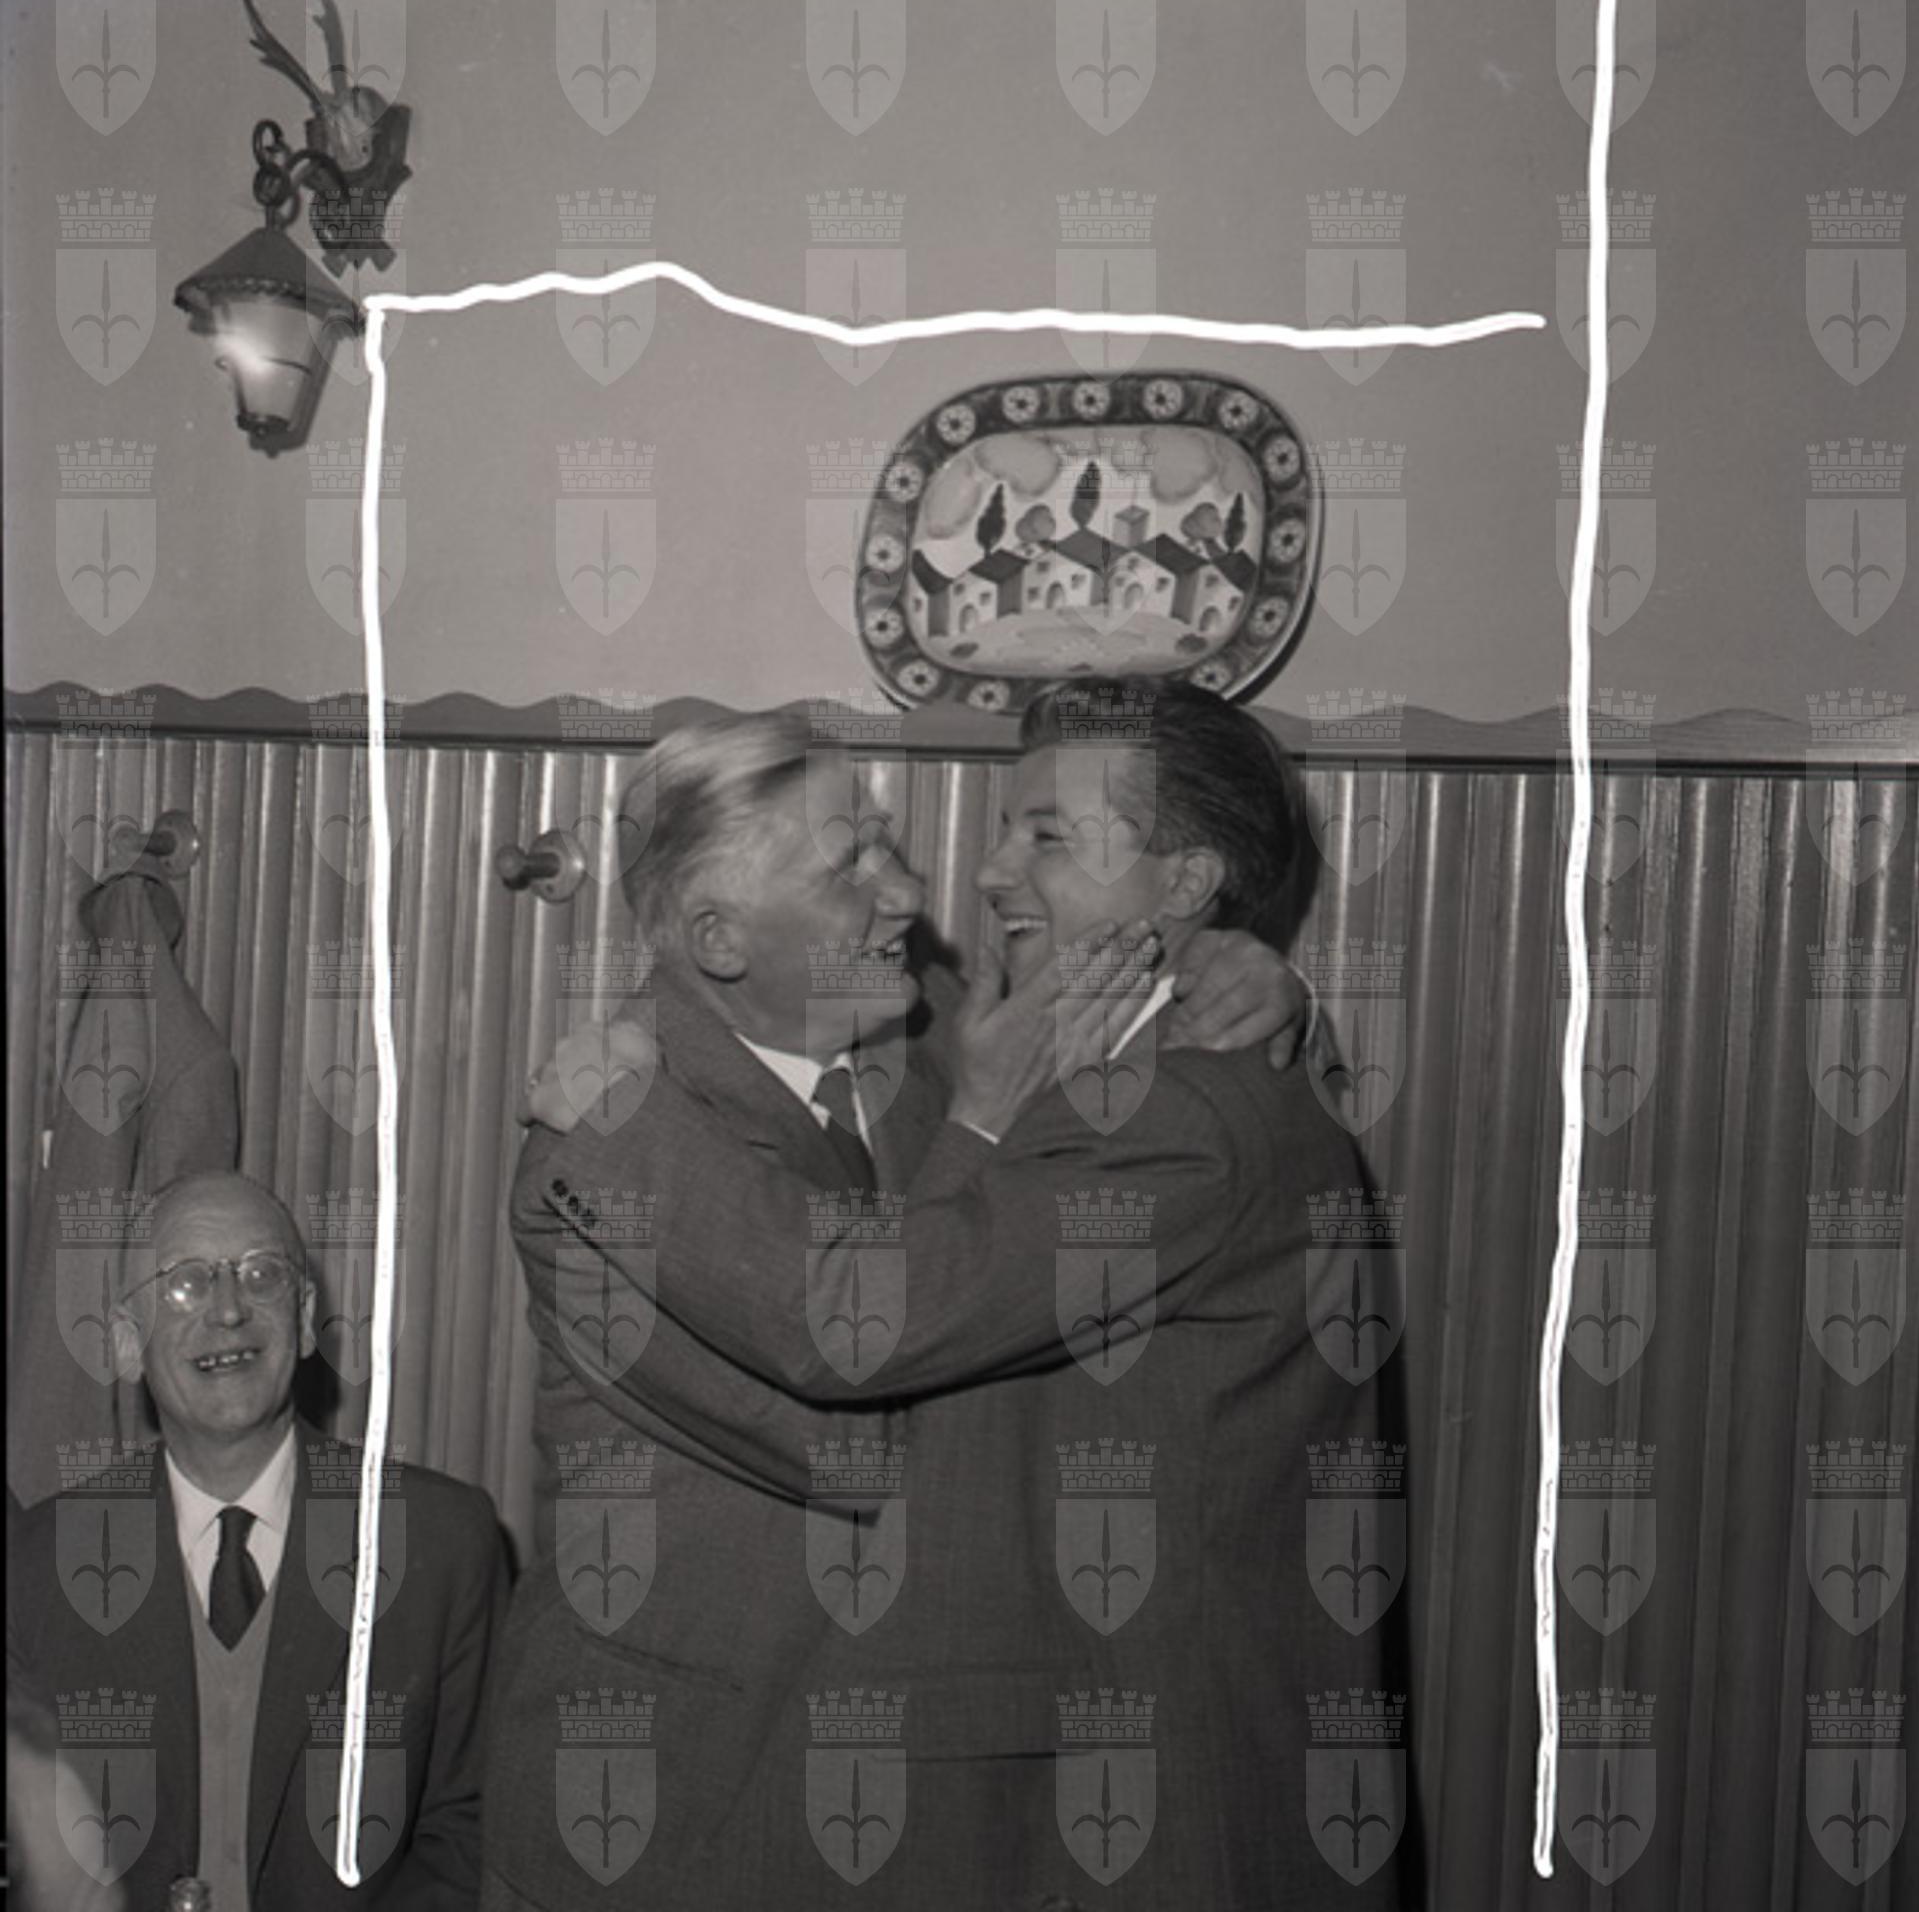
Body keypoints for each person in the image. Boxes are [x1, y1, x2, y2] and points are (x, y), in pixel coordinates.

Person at [484, 694, 1317, 1910]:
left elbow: (1147, 1042)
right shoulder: (599, 1162)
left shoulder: (934, 1035)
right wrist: (978, 1124)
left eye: (888, 843)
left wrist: (1232, 962)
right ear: (722, 939)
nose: (916, 895)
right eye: (851, 865)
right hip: (677, 1806)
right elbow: (864, 1435)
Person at [8, 1173, 509, 1910]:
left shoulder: (445, 1544)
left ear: (303, 1320)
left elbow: (475, 1827)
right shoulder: (35, 1565)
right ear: (125, 1343)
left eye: (261, 1274)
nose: (230, 1309)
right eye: (186, 1283)